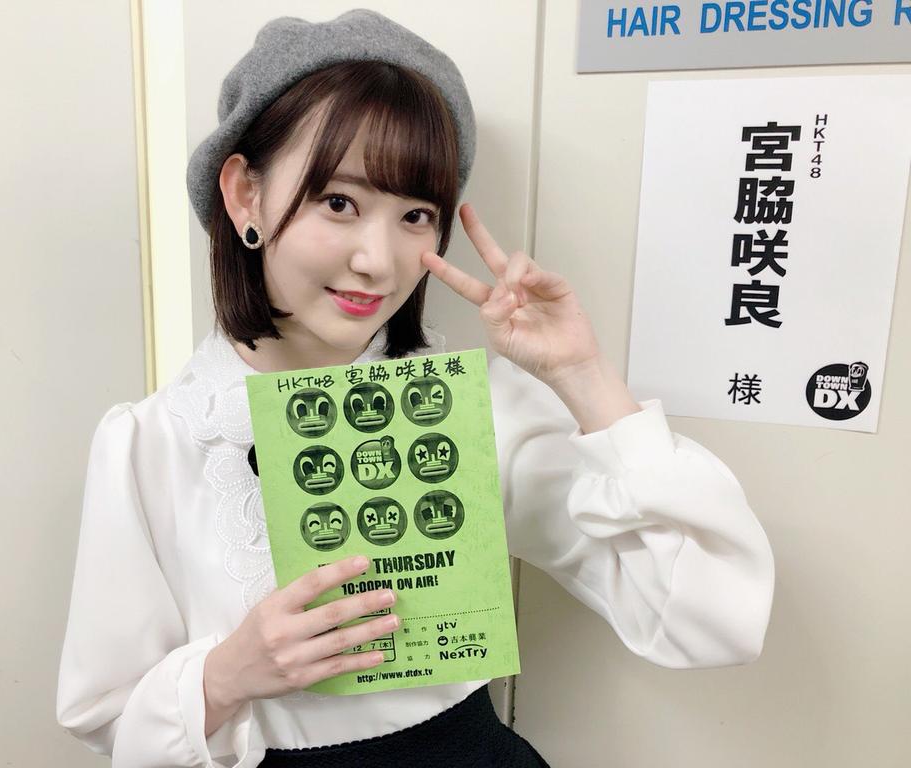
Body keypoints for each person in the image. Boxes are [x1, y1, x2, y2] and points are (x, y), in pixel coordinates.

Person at [55, 8, 775, 768]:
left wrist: (582, 376)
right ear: (244, 195)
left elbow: (711, 620)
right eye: (339, 202)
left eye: (415, 216)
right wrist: (229, 673)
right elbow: (108, 718)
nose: (378, 261)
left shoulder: (472, 408)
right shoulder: (152, 442)